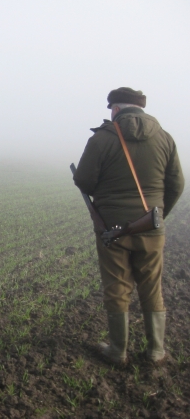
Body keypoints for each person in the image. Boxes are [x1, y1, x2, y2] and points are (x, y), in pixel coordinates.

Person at [73, 87, 184, 364]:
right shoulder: (165, 138)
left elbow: (84, 181)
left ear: (116, 109)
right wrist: (157, 216)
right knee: (151, 286)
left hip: (112, 229)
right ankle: (156, 351)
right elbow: (177, 184)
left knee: (117, 286)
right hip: (151, 227)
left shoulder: (102, 138)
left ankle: (117, 350)